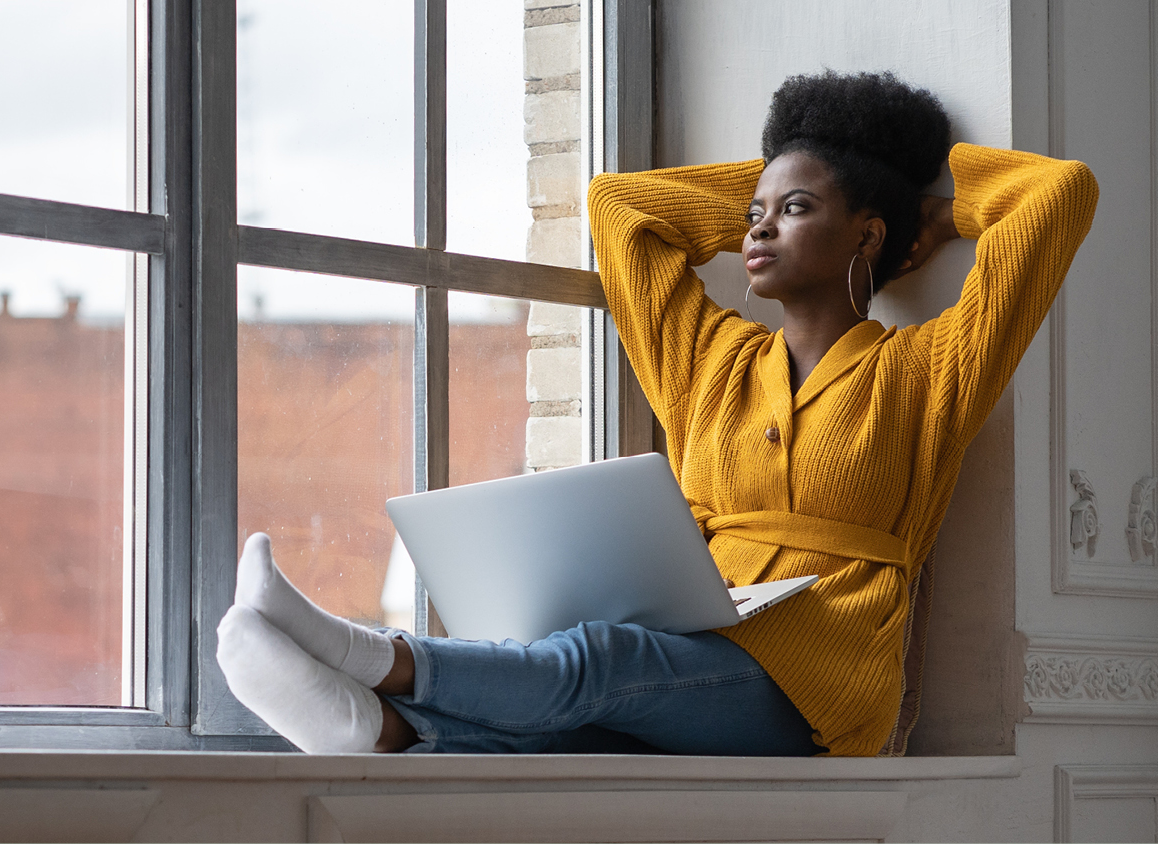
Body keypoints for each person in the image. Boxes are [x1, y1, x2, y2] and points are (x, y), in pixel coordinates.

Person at [216, 70, 1098, 757]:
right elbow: (622, 212)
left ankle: (373, 655)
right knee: (575, 730)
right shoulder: (710, 361)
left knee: (603, 657)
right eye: (751, 214)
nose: (755, 232)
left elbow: (1056, 197)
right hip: (695, 636)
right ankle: (370, 731)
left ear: (865, 236)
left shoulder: (927, 370)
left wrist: (924, 218)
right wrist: (778, 188)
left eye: (793, 211)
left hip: (816, 687)